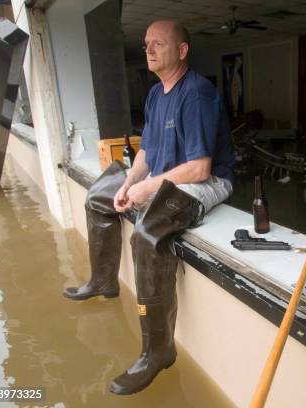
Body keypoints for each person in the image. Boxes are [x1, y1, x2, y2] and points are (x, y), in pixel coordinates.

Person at [62, 19, 235, 395]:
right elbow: (146, 153)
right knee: (98, 196)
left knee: (146, 236)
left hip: (206, 182)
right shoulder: (157, 94)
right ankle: (104, 281)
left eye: (158, 44)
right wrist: (128, 184)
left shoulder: (198, 92)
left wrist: (147, 189)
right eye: (146, 44)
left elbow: (200, 168)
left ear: (182, 51)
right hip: (165, 175)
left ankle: (157, 351)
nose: (149, 50)